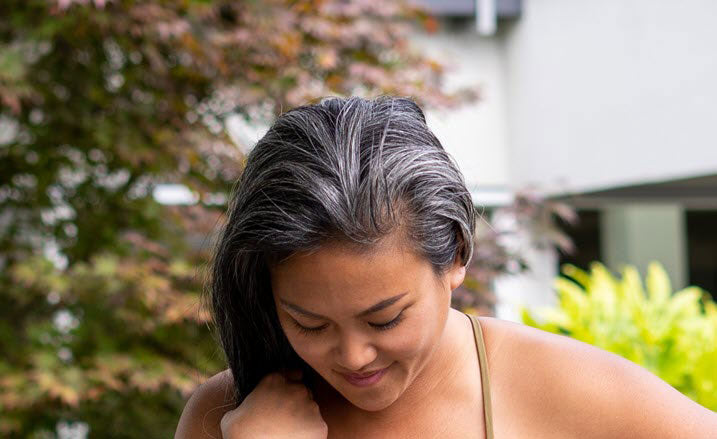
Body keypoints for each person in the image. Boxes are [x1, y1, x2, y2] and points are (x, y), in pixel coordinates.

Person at [175, 96, 717, 438]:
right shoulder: (225, 417)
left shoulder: (571, 390)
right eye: (309, 324)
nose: (353, 356)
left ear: (456, 254)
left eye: (385, 319)